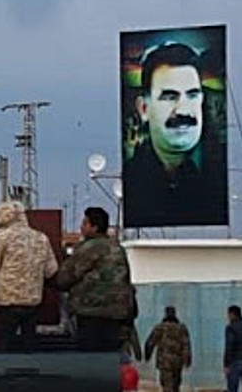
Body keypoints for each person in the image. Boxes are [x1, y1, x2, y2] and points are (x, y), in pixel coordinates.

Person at [123, 42, 227, 227]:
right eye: (170, 97)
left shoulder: (223, 178)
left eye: (192, 95)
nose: (183, 110)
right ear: (144, 108)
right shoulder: (132, 181)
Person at [0, 201, 58, 351]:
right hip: (32, 300)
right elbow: (51, 270)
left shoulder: (4, 237)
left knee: (6, 343)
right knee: (29, 344)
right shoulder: (41, 238)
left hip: (7, 300)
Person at [57, 207, 135, 352]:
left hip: (91, 311)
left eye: (85, 223)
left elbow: (65, 278)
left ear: (95, 227)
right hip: (118, 312)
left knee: (90, 355)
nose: (81, 227)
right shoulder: (118, 248)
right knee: (112, 355)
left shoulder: (88, 248)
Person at [145, 306, 192, 392]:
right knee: (175, 386)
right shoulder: (181, 328)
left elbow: (150, 343)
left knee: (167, 385)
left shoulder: (160, 328)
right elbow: (186, 345)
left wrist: (147, 355)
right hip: (177, 363)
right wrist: (187, 361)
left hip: (164, 362)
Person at [224, 305, 242, 392]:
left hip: (234, 361)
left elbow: (229, 346)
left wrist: (226, 364)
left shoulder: (231, 327)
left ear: (232, 314)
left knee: (232, 388)